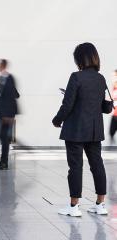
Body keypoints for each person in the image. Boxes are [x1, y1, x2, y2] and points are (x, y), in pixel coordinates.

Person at [52, 42, 109, 217]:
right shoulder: (101, 79)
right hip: (94, 129)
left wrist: (57, 119)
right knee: (97, 165)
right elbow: (106, 108)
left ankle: (74, 207)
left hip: (76, 129)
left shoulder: (76, 77)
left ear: (80, 59)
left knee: (75, 167)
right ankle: (100, 204)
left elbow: (67, 104)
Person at [109, 72, 117, 143]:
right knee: (111, 132)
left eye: (114, 75)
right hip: (114, 114)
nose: (113, 78)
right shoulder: (114, 87)